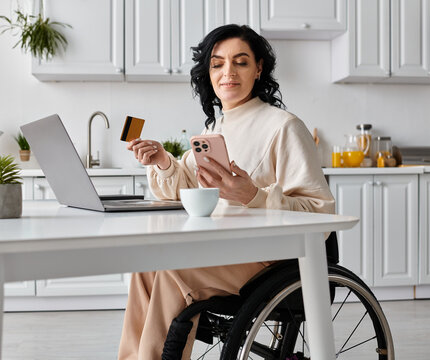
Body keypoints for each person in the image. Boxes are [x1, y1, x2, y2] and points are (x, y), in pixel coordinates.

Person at [119, 24, 335, 360]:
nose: (227, 73)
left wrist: (254, 195)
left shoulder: (284, 127)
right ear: (208, 72)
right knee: (147, 265)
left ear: (259, 68)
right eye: (217, 64)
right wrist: (163, 161)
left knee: (173, 269)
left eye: (241, 62)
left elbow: (320, 211)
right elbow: (186, 189)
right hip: (227, 248)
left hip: (270, 256)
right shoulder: (214, 129)